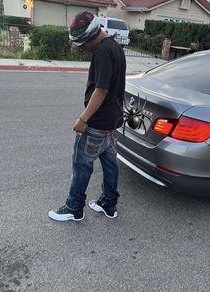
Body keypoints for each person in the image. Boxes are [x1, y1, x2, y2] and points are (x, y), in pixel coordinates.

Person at [48, 11, 126, 222]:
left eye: (83, 44)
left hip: (98, 122)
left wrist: (83, 120)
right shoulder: (116, 47)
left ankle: (74, 207)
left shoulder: (102, 52)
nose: (83, 49)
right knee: (110, 163)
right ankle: (109, 203)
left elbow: (101, 90)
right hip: (112, 120)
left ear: (91, 37)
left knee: (81, 164)